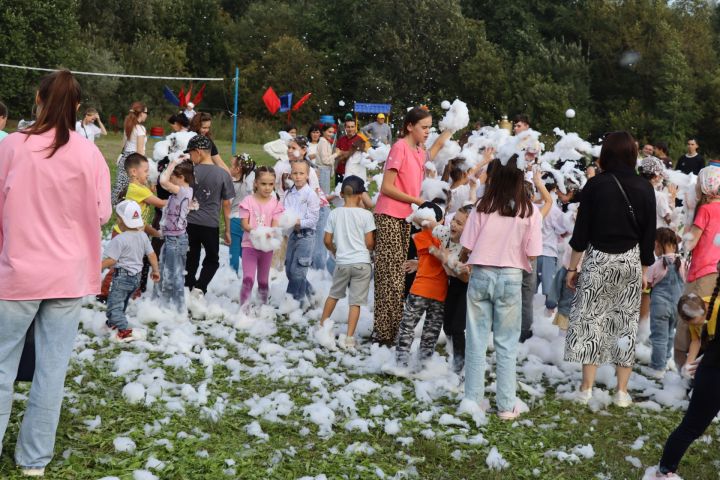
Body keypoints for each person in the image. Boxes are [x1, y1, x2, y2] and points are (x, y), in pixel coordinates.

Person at [0, 70, 111, 476]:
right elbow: (102, 213)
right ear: (79, 108)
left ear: (38, 98)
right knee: (52, 368)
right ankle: (33, 460)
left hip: (19, 273)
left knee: (1, 365)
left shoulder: (11, 147)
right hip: (67, 274)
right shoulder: (89, 154)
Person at [564, 131, 656, 408]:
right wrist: (643, 270)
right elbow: (648, 234)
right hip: (629, 261)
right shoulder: (644, 187)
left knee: (591, 323)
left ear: (605, 153)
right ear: (632, 154)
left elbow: (582, 231)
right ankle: (622, 391)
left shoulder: (595, 185)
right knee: (624, 325)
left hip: (597, 260)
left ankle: (586, 387)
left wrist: (572, 267)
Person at [459, 154, 543, 419]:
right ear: (521, 178)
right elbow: (532, 253)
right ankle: (507, 404)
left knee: (475, 339)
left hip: (481, 273)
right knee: (506, 343)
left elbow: (466, 247)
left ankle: (472, 400)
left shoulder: (482, 205)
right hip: (510, 276)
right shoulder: (529, 210)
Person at [371, 107, 431, 346]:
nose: (427, 132)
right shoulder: (399, 147)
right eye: (423, 127)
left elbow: (431, 154)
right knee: (389, 277)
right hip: (389, 216)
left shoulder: (419, 150)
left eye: (429, 127)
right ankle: (383, 334)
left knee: (399, 277)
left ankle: (391, 331)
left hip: (405, 218)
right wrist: (417, 200)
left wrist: (450, 129)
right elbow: (386, 187)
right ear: (409, 126)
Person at [655, 278, 720, 478]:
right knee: (692, 427)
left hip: (712, 369)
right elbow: (696, 340)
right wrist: (689, 364)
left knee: (691, 426)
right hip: (712, 371)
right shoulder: (699, 313)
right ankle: (665, 470)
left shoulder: (714, 306)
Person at [99, 153, 166, 302]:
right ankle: (104, 292)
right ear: (134, 172)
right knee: (119, 264)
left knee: (134, 264)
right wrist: (180, 197)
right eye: (146, 171)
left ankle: (132, 292)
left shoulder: (140, 188)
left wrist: (155, 233)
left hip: (136, 233)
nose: (148, 174)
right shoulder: (136, 189)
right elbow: (161, 203)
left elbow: (143, 221)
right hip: (123, 234)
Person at [319, 176, 376, 350]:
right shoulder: (366, 215)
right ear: (360, 195)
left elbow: (327, 240)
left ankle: (322, 326)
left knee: (334, 295)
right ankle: (350, 338)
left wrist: (335, 251)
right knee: (355, 302)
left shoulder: (335, 213)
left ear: (342, 194)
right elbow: (369, 243)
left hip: (342, 262)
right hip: (362, 264)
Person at [675, 166, 720, 367]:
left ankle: (684, 371)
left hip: (701, 274)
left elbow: (689, 242)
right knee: (709, 325)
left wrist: (689, 213)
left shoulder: (705, 210)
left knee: (688, 322)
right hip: (716, 274)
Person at [394, 202, 447, 367]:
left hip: (420, 290)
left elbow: (416, 219)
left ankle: (401, 361)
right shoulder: (446, 239)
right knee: (431, 332)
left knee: (407, 327)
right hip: (440, 292)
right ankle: (424, 363)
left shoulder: (423, 235)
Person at [184, 135, 235, 295]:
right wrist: (227, 229)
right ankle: (200, 288)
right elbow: (227, 204)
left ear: (198, 152)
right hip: (210, 225)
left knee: (191, 256)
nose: (190, 157)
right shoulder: (222, 174)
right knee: (212, 260)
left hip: (189, 223)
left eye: (190, 153)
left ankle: (188, 286)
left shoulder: (189, 172)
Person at [103, 200, 160, 341]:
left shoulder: (120, 239)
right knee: (121, 302)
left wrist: (96, 267)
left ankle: (123, 331)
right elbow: (151, 255)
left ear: (122, 221)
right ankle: (113, 324)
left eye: (118, 218)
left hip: (122, 277)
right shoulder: (143, 236)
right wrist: (155, 271)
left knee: (114, 306)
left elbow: (111, 260)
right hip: (136, 279)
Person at [239, 166, 284, 305]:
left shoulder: (275, 204)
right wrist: (257, 232)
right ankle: (244, 310)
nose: (267, 187)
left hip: (266, 249)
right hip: (249, 246)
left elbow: (275, 225)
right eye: (263, 183)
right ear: (255, 183)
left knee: (263, 281)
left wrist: (271, 233)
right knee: (248, 278)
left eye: (271, 184)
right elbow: (244, 224)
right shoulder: (248, 201)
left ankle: (262, 307)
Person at [435, 205, 471, 373]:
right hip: (452, 284)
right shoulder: (446, 235)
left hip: (467, 286)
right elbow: (427, 224)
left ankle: (460, 364)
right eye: (453, 220)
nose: (453, 225)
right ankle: (453, 353)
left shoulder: (470, 248)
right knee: (447, 325)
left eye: (460, 223)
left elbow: (466, 277)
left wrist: (448, 261)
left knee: (457, 327)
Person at [155, 159, 194, 312]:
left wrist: (173, 162)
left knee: (175, 274)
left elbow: (163, 180)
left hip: (176, 240)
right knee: (166, 270)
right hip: (173, 238)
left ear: (181, 177)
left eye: (173, 175)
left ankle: (177, 309)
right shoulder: (185, 191)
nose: (170, 178)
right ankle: (164, 303)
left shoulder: (182, 191)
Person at [646, 228, 685, 378]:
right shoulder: (681, 262)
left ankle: (657, 368)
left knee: (658, 337)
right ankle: (667, 360)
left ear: (657, 245)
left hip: (660, 306)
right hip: (677, 306)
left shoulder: (657, 264)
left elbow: (648, 283)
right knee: (670, 335)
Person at [283, 159, 321, 304]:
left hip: (307, 236)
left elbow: (313, 220)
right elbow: (285, 212)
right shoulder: (289, 193)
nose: (298, 176)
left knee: (297, 271)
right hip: (293, 234)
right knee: (289, 270)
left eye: (301, 173)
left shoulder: (311, 195)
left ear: (307, 175)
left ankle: (291, 304)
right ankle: (313, 295)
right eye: (295, 173)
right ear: (291, 174)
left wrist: (298, 222)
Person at [111, 101, 148, 206]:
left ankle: (115, 203)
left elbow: (124, 143)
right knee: (132, 183)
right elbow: (140, 150)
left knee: (121, 182)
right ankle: (128, 203)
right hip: (134, 158)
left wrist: (122, 155)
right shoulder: (140, 128)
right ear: (141, 113)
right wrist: (143, 165)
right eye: (146, 113)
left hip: (125, 156)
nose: (146, 115)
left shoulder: (129, 125)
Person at [229, 153, 256, 273]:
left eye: (231, 166)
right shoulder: (249, 185)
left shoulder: (233, 185)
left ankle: (232, 273)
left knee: (234, 248)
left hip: (234, 219)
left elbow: (227, 204)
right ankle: (250, 269)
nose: (230, 168)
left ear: (238, 169)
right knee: (243, 246)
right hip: (247, 220)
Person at [335, 118, 360, 185]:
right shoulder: (341, 140)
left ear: (355, 127)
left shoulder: (359, 140)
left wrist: (342, 153)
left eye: (352, 127)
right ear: (345, 128)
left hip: (353, 173)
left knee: (352, 194)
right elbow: (336, 155)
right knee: (338, 193)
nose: (350, 129)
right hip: (340, 171)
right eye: (348, 127)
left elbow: (357, 156)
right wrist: (349, 153)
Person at [316, 123, 338, 194]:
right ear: (323, 132)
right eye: (329, 132)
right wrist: (336, 154)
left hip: (325, 170)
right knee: (324, 193)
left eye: (332, 132)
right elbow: (325, 160)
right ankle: (324, 205)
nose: (331, 134)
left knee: (324, 191)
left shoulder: (326, 141)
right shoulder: (323, 142)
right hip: (323, 170)